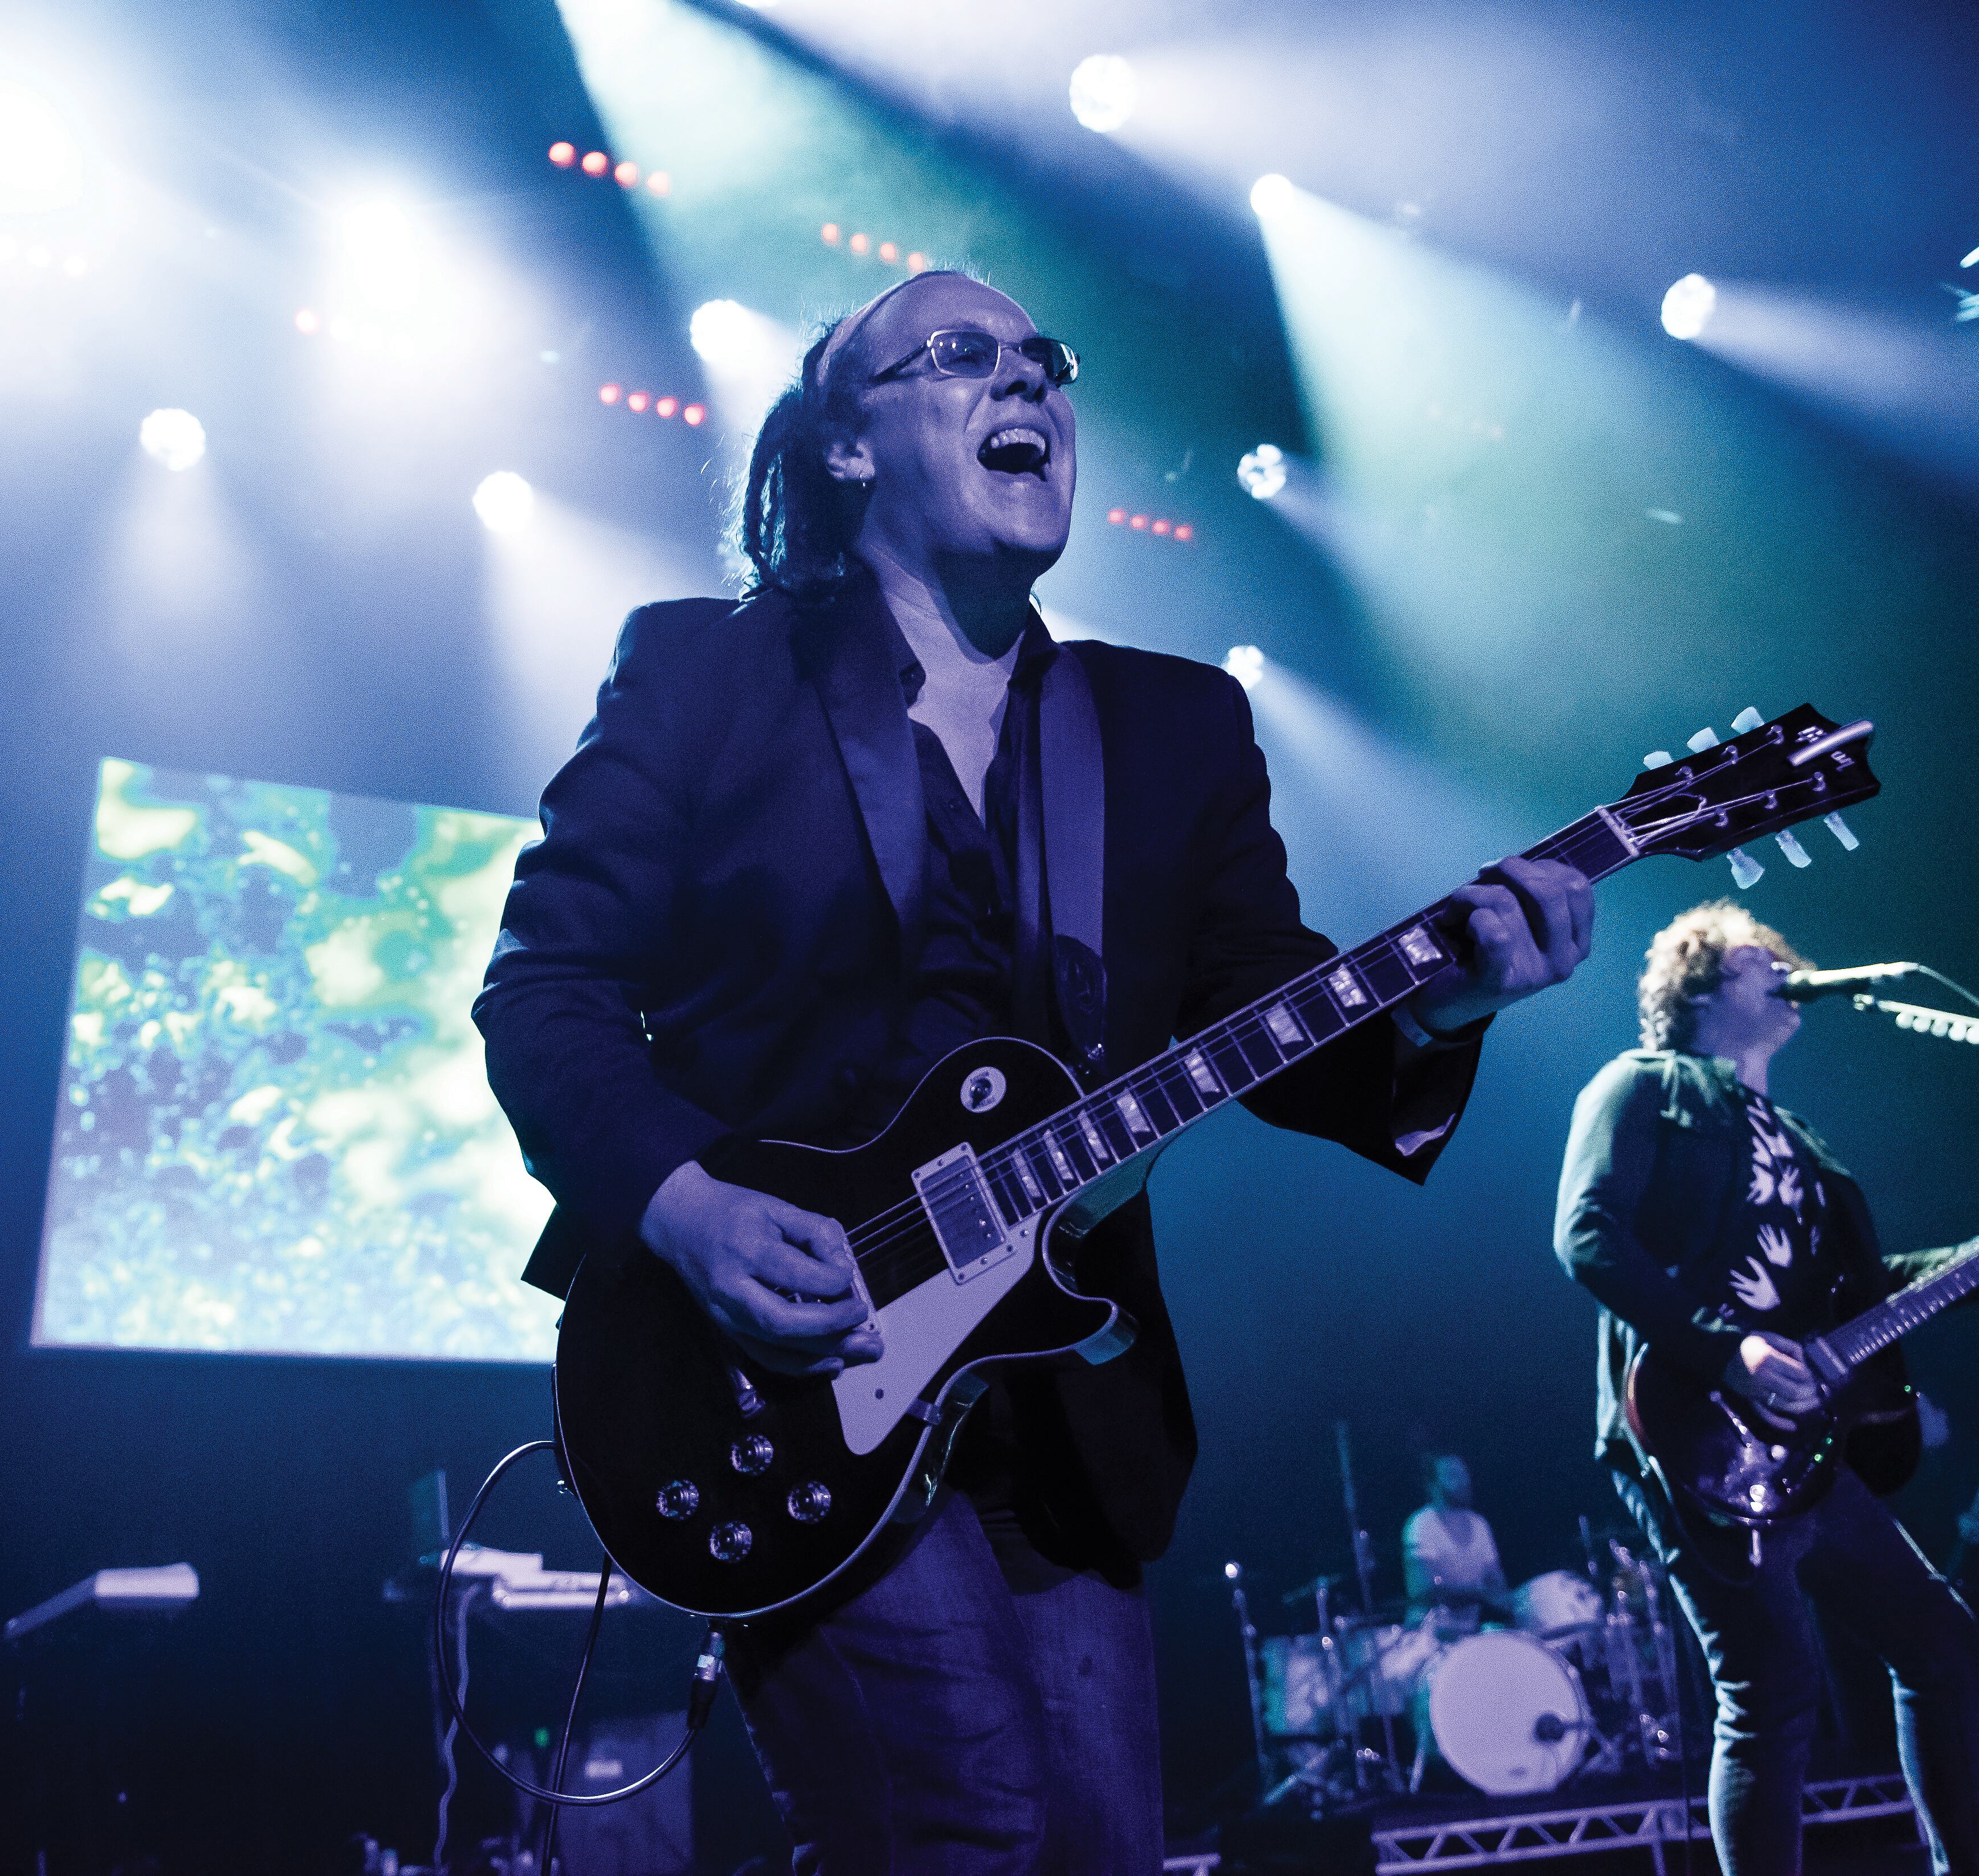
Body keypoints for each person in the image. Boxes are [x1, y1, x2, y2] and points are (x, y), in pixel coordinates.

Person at [475, 268, 1595, 1872]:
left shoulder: (1174, 726)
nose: (1028, 384)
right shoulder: (706, 674)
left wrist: (1445, 1002)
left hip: (1060, 1398)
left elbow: (1270, 1013)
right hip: (779, 1377)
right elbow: (546, 992)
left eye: (1043, 360)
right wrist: (684, 1204)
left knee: (1092, 1847)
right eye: (960, 356)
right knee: (960, 1817)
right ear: (845, 445)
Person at [1552, 902, 1979, 1876]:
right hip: (1688, 1430)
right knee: (1771, 1688)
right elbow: (1586, 1233)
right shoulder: (1641, 1085)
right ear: (1698, 986)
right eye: (1757, 958)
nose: (1785, 967)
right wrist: (1728, 1352)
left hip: (1801, 1444)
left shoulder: (1797, 1141)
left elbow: (1873, 1288)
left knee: (1939, 1641)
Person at [1403, 1453, 1508, 1636]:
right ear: (1433, 1486)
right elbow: (1423, 1591)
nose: (1463, 1481)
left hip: (1470, 1633)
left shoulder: (1480, 1524)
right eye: (1452, 1475)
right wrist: (1480, 1594)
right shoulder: (1421, 1524)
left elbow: (1497, 1583)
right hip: (1429, 1637)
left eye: (1464, 1474)